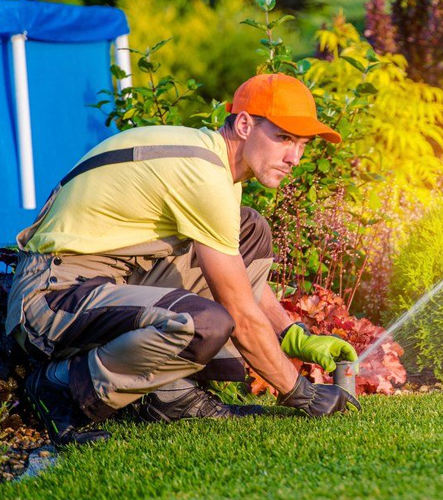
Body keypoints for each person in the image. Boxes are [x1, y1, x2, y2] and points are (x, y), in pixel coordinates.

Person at [5, 73, 361, 447]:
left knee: (250, 230)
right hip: (52, 300)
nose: (295, 158)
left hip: (106, 284)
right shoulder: (203, 175)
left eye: (302, 144)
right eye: (284, 138)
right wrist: (300, 392)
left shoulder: (214, 166)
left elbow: (238, 281)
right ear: (243, 124)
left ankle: (169, 396)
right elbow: (238, 312)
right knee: (203, 325)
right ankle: (61, 387)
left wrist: (292, 335)